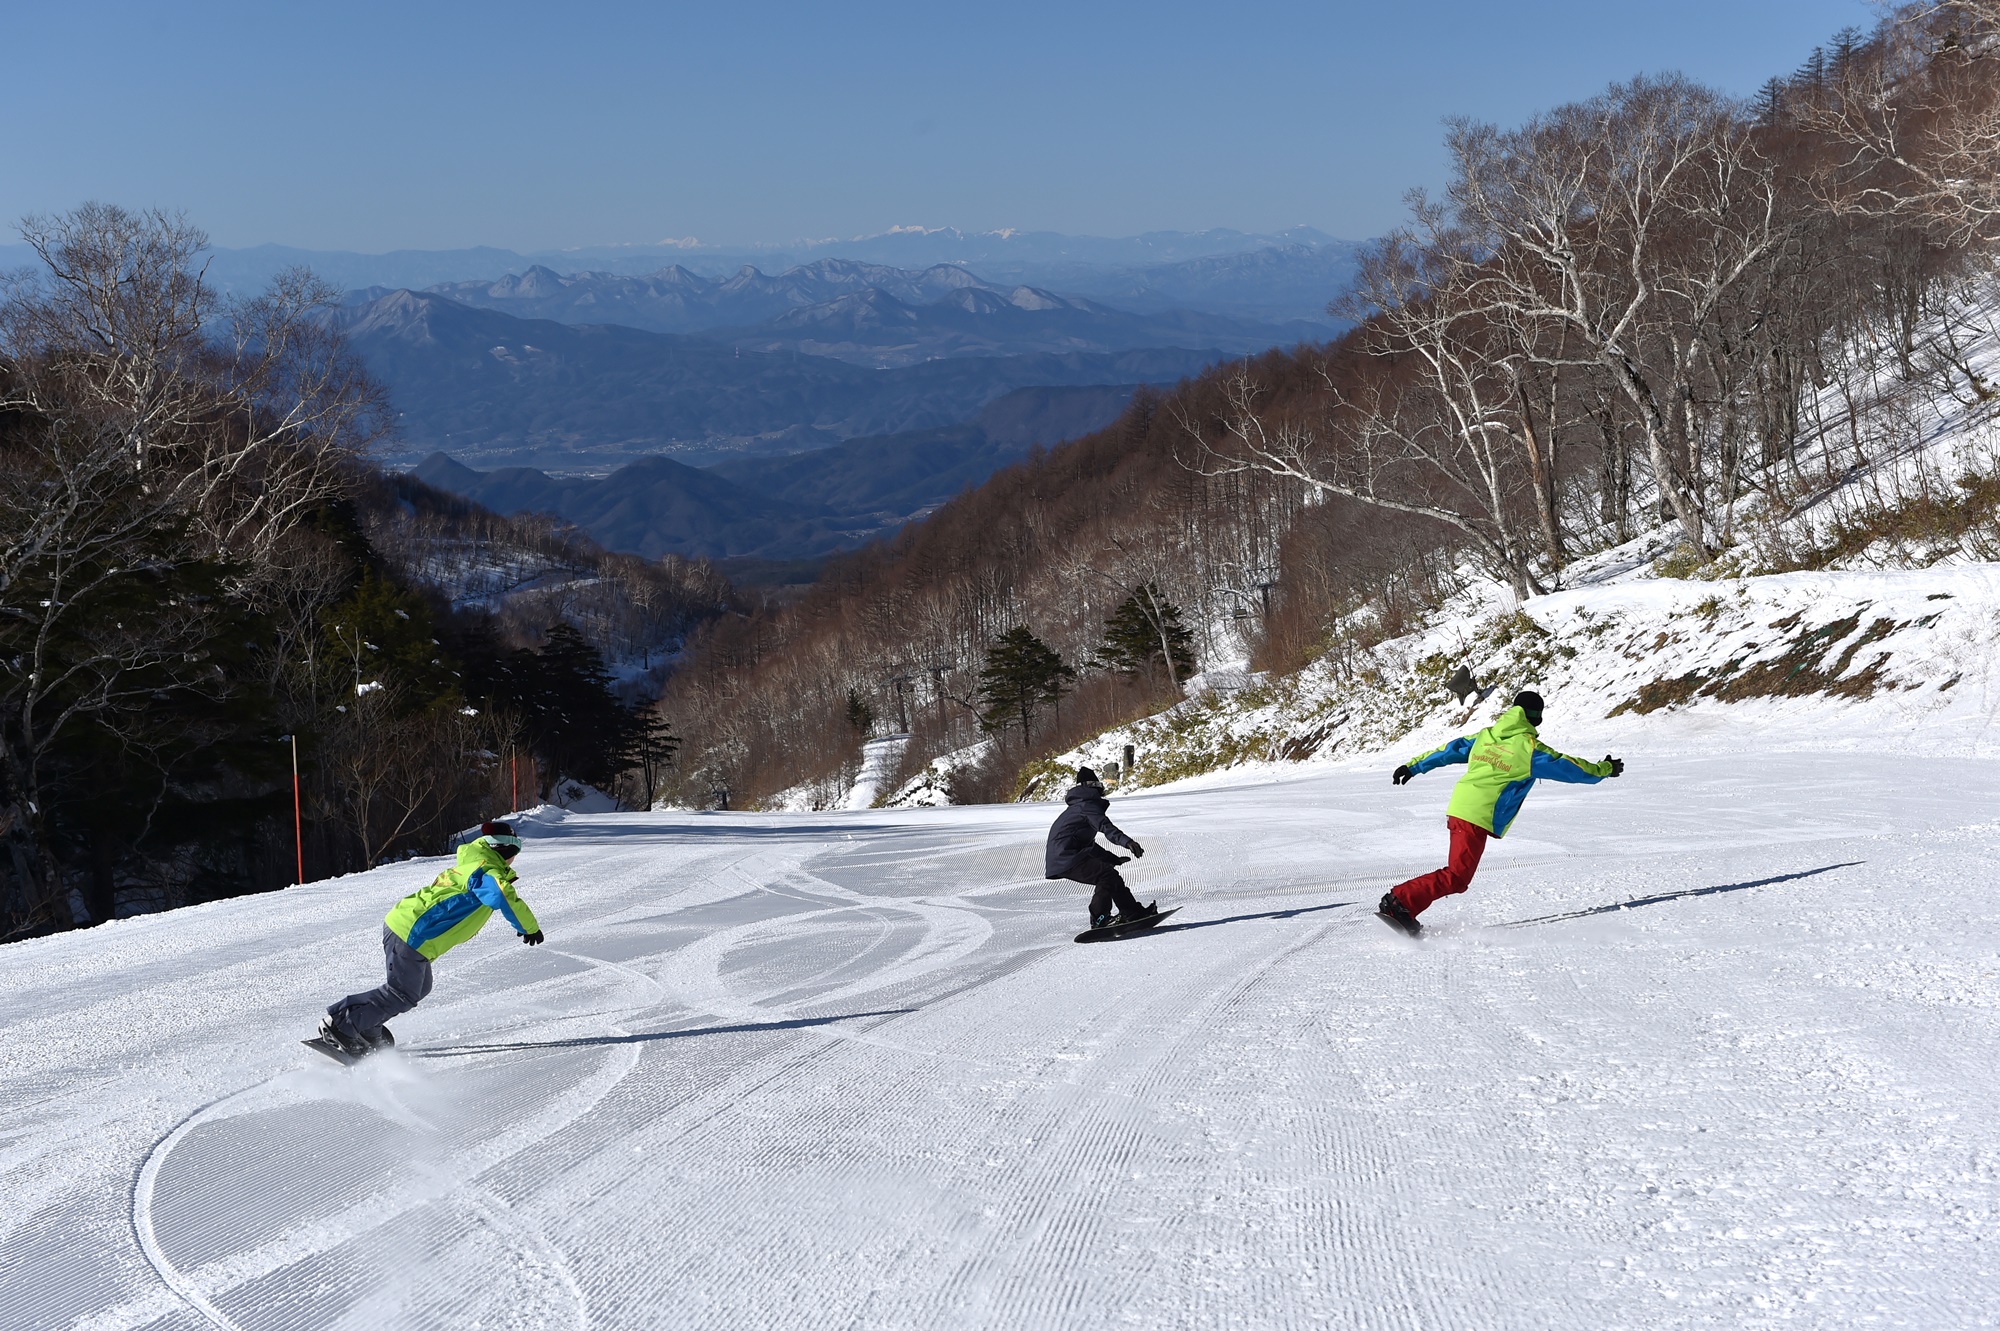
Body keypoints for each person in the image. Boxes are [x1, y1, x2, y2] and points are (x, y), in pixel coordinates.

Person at [1378, 691, 1623, 935]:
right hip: (1475, 815)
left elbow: (1449, 750)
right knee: (1458, 876)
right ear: (1536, 717)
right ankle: (1400, 901)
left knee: (1458, 874)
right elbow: (1572, 769)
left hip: (1462, 808)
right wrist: (1605, 769)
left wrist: (1414, 766)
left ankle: (1403, 906)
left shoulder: (1486, 736)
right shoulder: (1528, 749)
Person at [318, 820, 544, 1056]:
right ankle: (344, 1025)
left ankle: (366, 1025)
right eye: (516, 850)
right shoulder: (487, 871)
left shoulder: (472, 864)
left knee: (419, 988)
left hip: (410, 928)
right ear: (505, 849)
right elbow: (501, 894)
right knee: (402, 993)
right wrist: (528, 928)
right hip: (413, 932)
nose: (515, 858)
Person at [1045, 767, 1156, 929]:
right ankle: (1099, 918)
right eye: (1100, 786)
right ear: (1094, 787)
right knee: (1106, 875)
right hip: (1065, 858)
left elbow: (1088, 844)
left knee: (1111, 876)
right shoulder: (1086, 805)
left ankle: (1132, 913)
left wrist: (1112, 859)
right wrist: (1128, 842)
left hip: (1065, 857)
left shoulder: (1080, 806)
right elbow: (1105, 827)